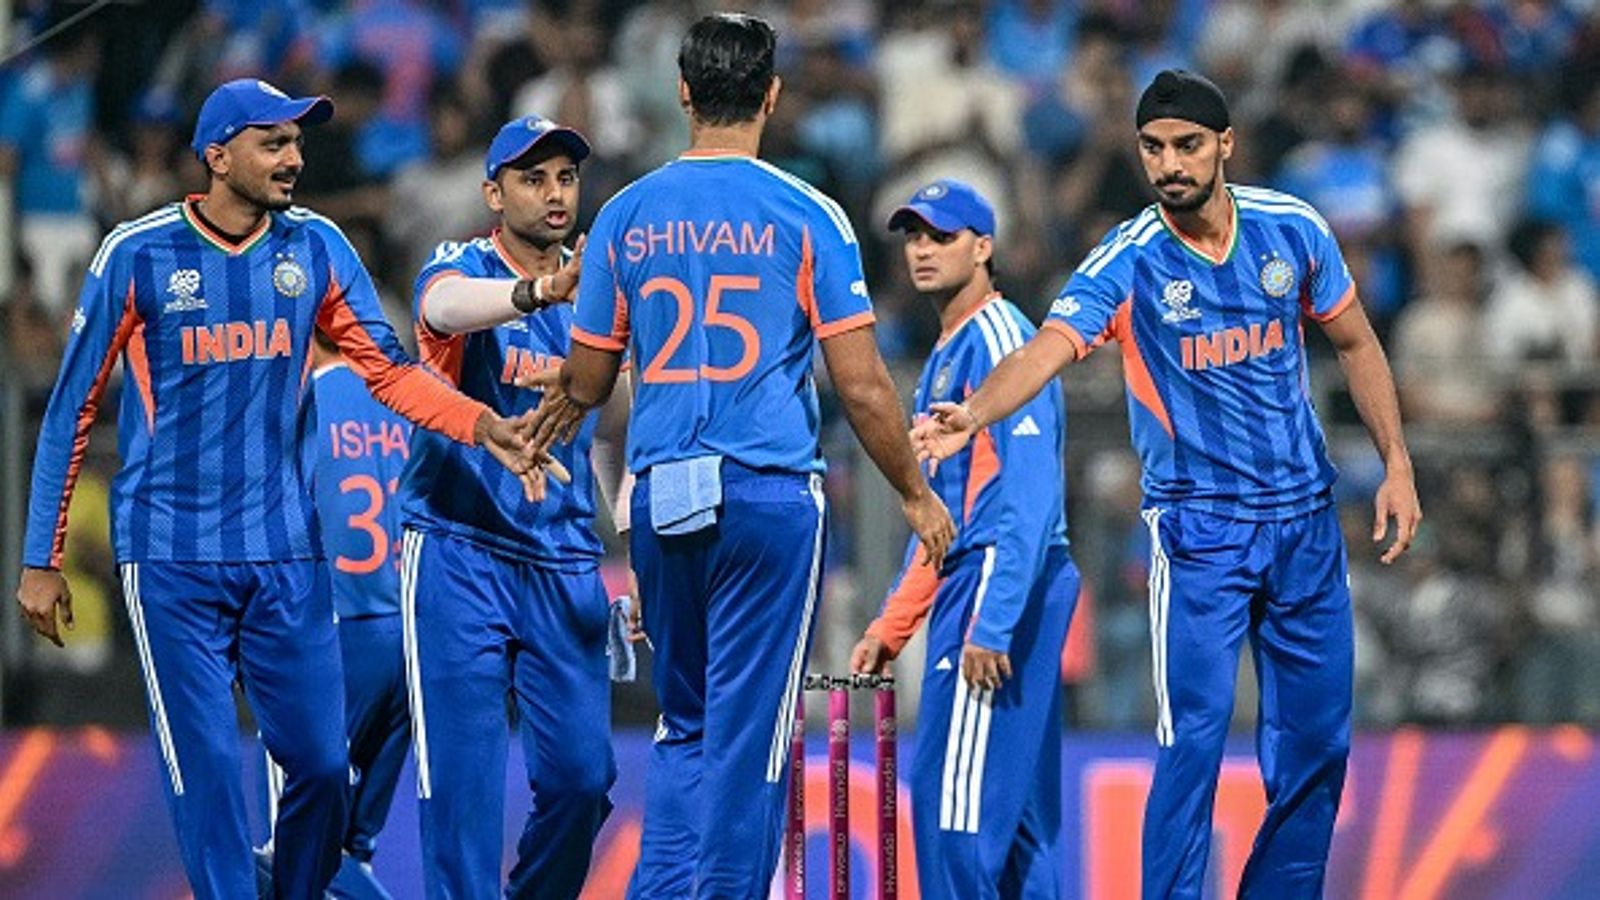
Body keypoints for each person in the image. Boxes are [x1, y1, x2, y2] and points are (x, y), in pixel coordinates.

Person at [13, 78, 543, 900]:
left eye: (296, 143)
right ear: (217, 156)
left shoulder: (319, 247)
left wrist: (480, 425)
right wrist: (38, 559)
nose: (294, 158)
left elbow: (392, 373)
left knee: (326, 769)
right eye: (274, 142)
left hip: (287, 554)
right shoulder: (138, 253)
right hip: (171, 554)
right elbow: (71, 408)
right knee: (210, 774)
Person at [912, 70, 1422, 898]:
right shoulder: (1129, 259)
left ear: (1226, 144)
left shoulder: (1292, 230)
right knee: (1193, 741)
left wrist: (1396, 463)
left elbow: (1357, 344)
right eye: (1152, 147)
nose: (1169, 164)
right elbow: (1046, 349)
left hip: (1304, 521)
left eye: (1187, 145)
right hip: (1199, 533)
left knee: (1319, 744)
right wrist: (972, 414)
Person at [528, 13, 955, 897]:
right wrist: (914, 492)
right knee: (752, 733)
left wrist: (551, 416)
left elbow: (590, 378)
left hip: (661, 495)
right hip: (766, 498)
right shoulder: (808, 214)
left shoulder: (623, 216)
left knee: (684, 723)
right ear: (771, 94)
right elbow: (865, 386)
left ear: (683, 92)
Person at [400, 114, 631, 899]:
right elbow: (441, 312)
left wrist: (630, 540)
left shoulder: (606, 296)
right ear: (493, 193)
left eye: (566, 176)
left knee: (582, 779)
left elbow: (618, 427)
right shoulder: (459, 262)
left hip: (562, 555)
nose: (555, 192)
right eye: (533, 178)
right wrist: (538, 292)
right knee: (461, 793)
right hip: (457, 545)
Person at [851, 179, 1078, 899]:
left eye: (941, 236)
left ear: (984, 247)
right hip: (980, 576)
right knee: (1013, 826)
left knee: (953, 806)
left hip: (1000, 583)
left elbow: (1031, 494)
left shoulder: (1005, 339)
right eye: (914, 236)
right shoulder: (948, 354)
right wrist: (894, 625)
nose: (922, 249)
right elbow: (941, 519)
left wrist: (996, 618)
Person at [260, 330, 416, 900]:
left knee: (291, 850)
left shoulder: (292, 406)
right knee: (350, 847)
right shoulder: (407, 399)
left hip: (333, 635)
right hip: (410, 639)